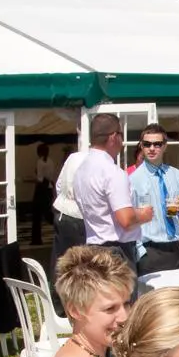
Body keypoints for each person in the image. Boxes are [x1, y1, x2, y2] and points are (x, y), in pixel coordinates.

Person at [74, 113, 148, 268]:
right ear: (114, 137)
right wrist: (144, 214)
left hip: (94, 248)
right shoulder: (112, 172)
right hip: (117, 252)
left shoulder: (81, 169)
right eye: (121, 134)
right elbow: (126, 220)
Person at [130, 124, 179, 274]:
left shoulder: (176, 175)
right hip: (149, 249)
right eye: (147, 144)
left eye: (157, 144)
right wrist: (140, 252)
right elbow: (129, 217)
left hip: (175, 246)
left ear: (165, 146)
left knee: (178, 297)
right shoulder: (133, 179)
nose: (151, 148)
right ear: (141, 146)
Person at [50, 145, 91, 311]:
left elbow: (59, 185)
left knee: (60, 260)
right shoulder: (96, 162)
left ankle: (59, 303)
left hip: (63, 213)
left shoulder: (73, 157)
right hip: (80, 216)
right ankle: (77, 304)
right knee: (81, 265)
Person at [31, 142, 54, 246]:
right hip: (48, 188)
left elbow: (40, 178)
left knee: (36, 214)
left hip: (41, 189)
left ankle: (36, 239)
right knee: (47, 212)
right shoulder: (50, 161)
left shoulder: (40, 162)